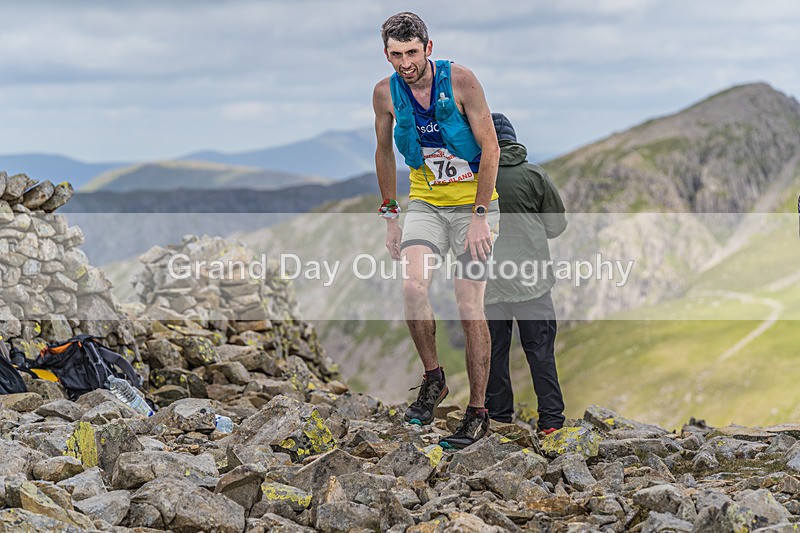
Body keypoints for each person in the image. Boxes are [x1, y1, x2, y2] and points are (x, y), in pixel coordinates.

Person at [372, 12, 501, 449]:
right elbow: (384, 151)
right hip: (425, 201)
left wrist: (481, 214)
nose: (405, 63)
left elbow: (491, 148)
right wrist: (391, 214)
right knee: (412, 287)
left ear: (428, 48)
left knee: (469, 307)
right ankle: (434, 379)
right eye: (396, 54)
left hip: (472, 206)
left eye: (411, 52)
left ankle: (479, 411)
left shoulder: (461, 81)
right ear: (386, 53)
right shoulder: (384, 94)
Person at [484, 113, 567, 434]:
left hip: (489, 286)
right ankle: (551, 424)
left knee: (493, 356)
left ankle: (500, 421)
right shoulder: (535, 175)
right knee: (541, 354)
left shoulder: (477, 178)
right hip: (533, 284)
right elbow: (557, 227)